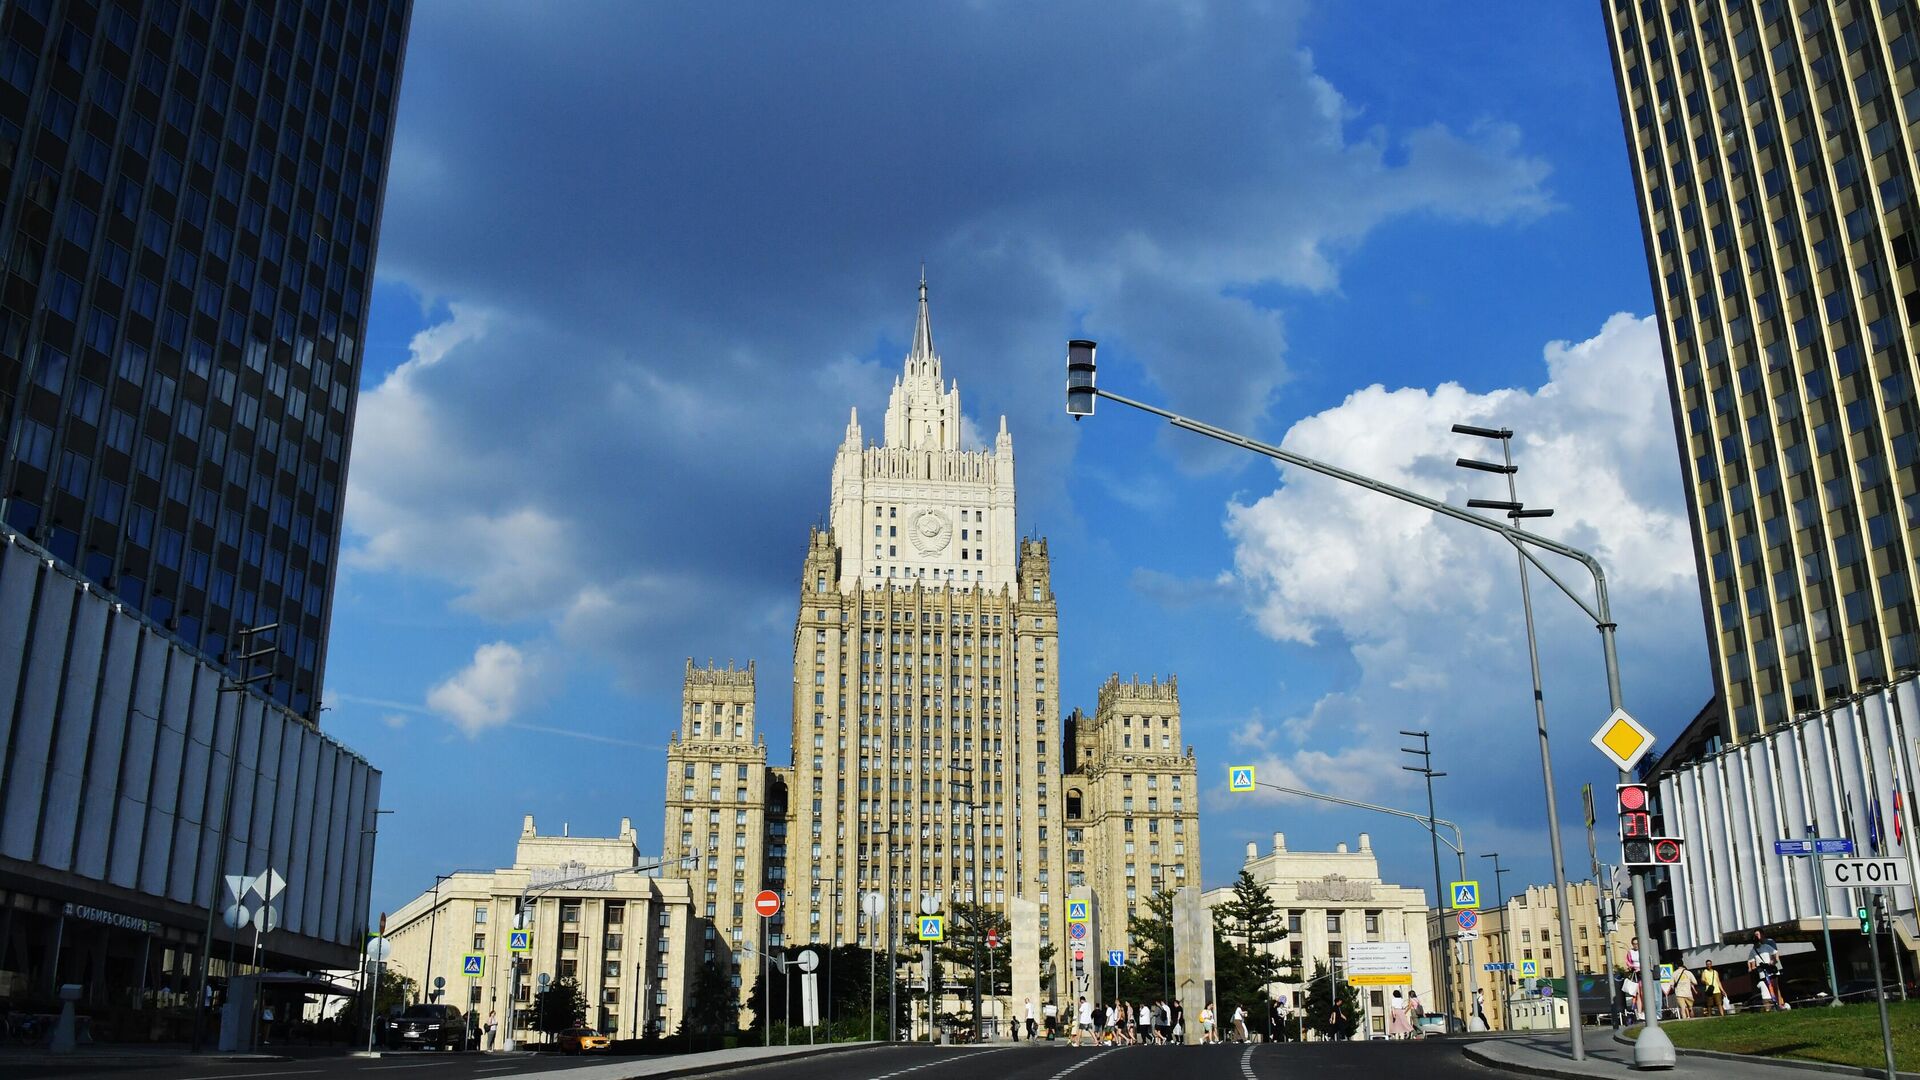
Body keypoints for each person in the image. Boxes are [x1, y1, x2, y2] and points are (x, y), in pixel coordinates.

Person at [1749, 930, 1785, 1010]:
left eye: (1757, 942)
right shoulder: (1753, 951)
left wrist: (1773, 961)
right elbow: (1751, 962)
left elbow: (1775, 953)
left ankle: (1780, 1004)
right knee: (1769, 988)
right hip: (1763, 972)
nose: (1756, 944)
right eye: (1754, 943)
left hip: (1771, 970)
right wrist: (1755, 967)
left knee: (1775, 987)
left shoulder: (1766, 946)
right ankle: (1775, 1005)